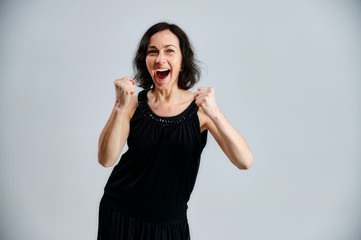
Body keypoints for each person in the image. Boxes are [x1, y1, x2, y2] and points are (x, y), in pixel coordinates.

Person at [97, 22, 253, 240]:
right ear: (146, 61)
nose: (160, 59)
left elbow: (244, 161)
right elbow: (106, 159)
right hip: (121, 214)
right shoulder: (132, 104)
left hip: (169, 225)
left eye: (169, 50)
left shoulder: (201, 110)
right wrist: (119, 107)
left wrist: (215, 113)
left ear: (182, 61)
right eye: (153, 52)